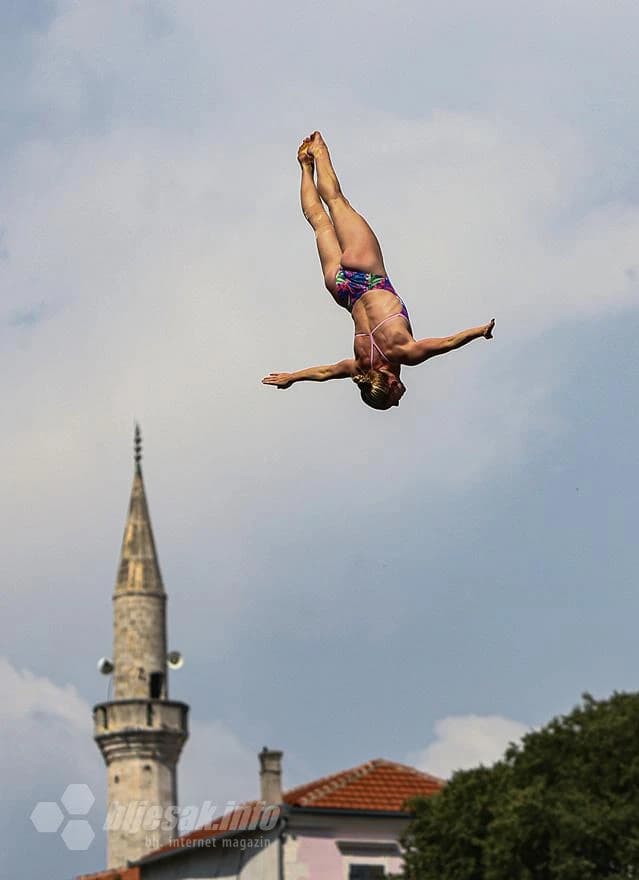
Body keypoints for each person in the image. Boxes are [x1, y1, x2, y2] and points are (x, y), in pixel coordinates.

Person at [262, 132, 495, 410]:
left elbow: (448, 343)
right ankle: (305, 165)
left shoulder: (404, 352)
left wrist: (480, 331)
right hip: (343, 290)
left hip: (369, 276)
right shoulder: (359, 367)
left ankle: (318, 151)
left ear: (391, 385)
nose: (398, 403)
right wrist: (293, 377)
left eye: (393, 400)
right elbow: (325, 373)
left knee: (337, 202)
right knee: (319, 222)